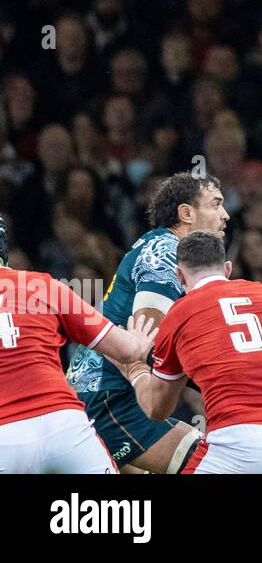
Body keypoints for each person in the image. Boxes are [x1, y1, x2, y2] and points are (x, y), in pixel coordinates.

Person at [123, 230, 262, 473]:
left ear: (179, 275)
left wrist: (135, 369)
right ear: (227, 269)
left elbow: (156, 409)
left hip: (237, 443)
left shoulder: (179, 313)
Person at [67, 172, 229, 473]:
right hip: (110, 396)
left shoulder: (162, 247)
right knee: (211, 464)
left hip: (110, 393)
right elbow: (146, 339)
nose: (225, 214)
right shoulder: (165, 252)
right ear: (186, 213)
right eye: (216, 204)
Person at [0, 216, 154, 473]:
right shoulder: (43, 285)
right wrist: (139, 337)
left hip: (5, 438)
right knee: (115, 514)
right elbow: (127, 350)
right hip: (65, 427)